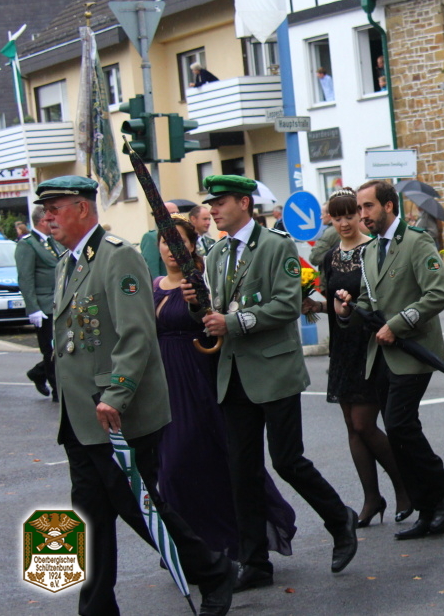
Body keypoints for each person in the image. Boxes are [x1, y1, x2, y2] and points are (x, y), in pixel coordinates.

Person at [37, 176, 236, 616]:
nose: (47, 217)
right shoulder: (68, 262)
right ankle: (96, 607)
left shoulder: (117, 256)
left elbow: (137, 334)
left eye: (55, 208)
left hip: (116, 411)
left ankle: (212, 570)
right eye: (45, 210)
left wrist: (117, 393)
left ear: (82, 209)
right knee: (89, 514)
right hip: (81, 415)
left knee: (140, 507)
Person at [183, 175, 358, 590]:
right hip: (233, 374)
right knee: (241, 470)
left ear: (244, 203)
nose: (213, 210)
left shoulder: (276, 245)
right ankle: (255, 562)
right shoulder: (217, 253)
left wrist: (233, 322)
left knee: (287, 460)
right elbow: (215, 312)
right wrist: (198, 308)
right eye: (211, 204)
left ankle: (340, 519)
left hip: (274, 371)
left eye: (221, 202)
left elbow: (286, 304)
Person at [154, 215, 297, 557]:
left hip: (199, 378)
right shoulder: (153, 284)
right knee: (171, 471)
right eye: (164, 241)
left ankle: (230, 539)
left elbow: (216, 319)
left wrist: (198, 303)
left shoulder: (201, 279)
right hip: (166, 383)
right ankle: (191, 548)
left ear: (191, 246)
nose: (171, 249)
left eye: (179, 241)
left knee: (206, 462)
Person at [334, 180, 444, 540]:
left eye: (368, 207)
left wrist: (397, 324)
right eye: (359, 208)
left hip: (412, 351)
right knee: (398, 429)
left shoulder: (417, 242)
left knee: (399, 424)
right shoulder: (371, 249)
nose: (362, 215)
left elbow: (438, 294)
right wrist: (349, 309)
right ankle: (428, 507)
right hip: (381, 354)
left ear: (388, 206)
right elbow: (370, 301)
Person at [303, 189, 410, 526]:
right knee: (353, 427)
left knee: (364, 423)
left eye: (350, 215)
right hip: (342, 346)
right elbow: (333, 304)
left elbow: (381, 299)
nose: (345, 223)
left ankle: (405, 486)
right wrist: (315, 305)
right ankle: (372, 498)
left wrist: (352, 310)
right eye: (337, 218)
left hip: (370, 344)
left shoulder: (373, 250)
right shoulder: (330, 256)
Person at [14, 205, 61, 400]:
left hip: (59, 302)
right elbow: (25, 278)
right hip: (44, 304)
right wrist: (33, 308)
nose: (55, 222)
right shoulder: (28, 244)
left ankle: (38, 373)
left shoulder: (54, 241)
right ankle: (58, 391)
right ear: (43, 221)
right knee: (50, 350)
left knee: (63, 346)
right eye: (51, 219)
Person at [140, 201, 178, 278]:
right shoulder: (152, 237)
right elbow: (151, 269)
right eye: (172, 214)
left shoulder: (180, 236)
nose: (177, 216)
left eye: (178, 213)